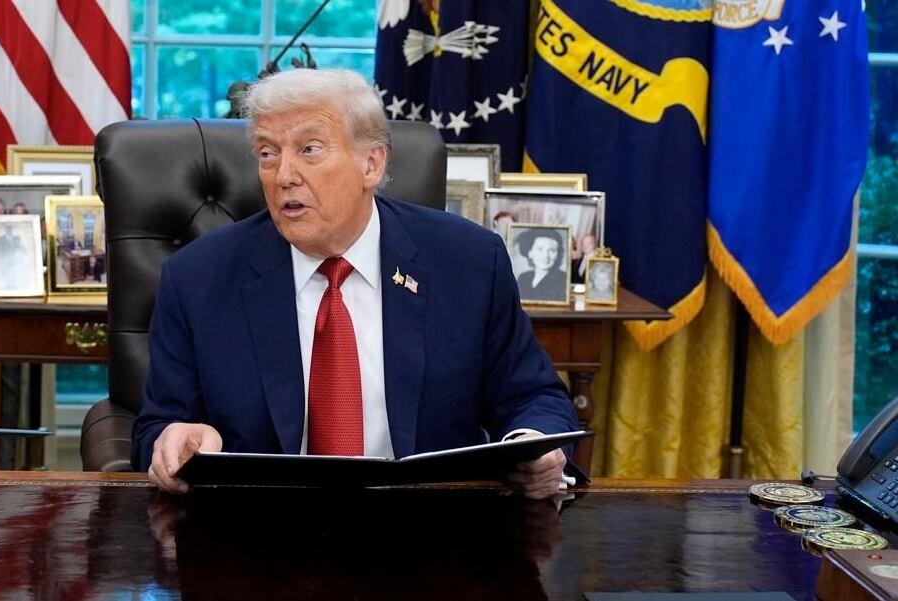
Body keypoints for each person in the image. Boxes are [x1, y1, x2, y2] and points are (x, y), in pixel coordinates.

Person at [134, 69, 578, 498]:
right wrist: (175, 438)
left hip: (435, 531)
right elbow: (156, 426)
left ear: (371, 163)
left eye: (309, 149)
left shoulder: (469, 262)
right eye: (268, 153)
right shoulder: (198, 277)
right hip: (257, 534)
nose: (283, 174)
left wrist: (534, 446)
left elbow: (533, 396)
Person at [514, 228, 568, 302]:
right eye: (540, 249)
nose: (546, 256)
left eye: (552, 250)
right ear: (530, 253)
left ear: (558, 254)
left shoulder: (564, 279)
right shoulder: (523, 277)